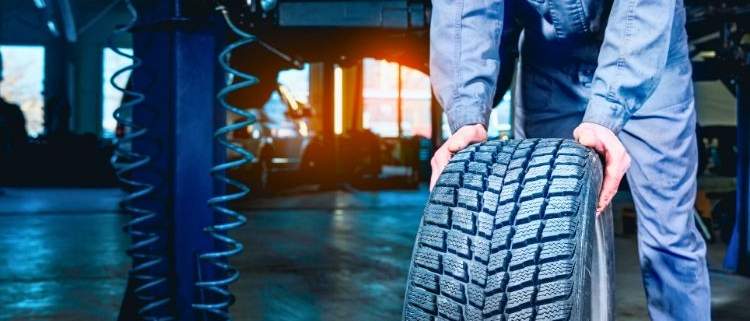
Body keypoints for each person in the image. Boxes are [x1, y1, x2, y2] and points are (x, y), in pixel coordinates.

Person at [428, 0, 710, 320]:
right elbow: (466, 7)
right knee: (539, 236)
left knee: (669, 239)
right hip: (550, 64)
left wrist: (606, 114)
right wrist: (466, 115)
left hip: (650, 58)